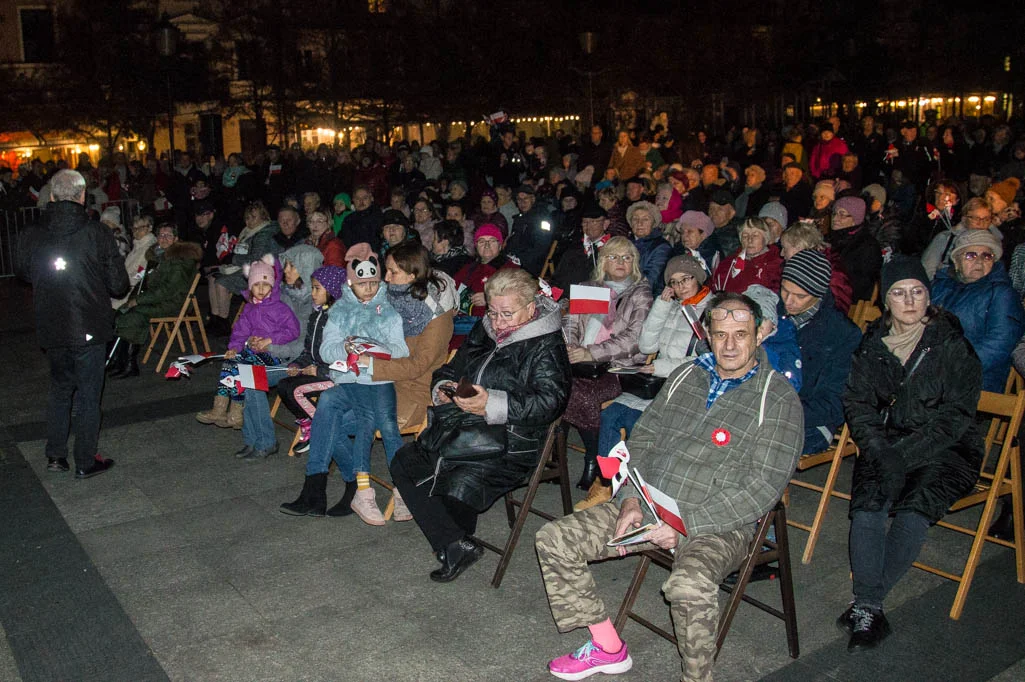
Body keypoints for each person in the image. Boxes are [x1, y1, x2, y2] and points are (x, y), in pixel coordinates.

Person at [536, 291, 803, 681]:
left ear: (759, 334)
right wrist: (629, 496)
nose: (729, 345)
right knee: (554, 538)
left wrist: (685, 523)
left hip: (716, 522)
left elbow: (763, 488)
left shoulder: (777, 398)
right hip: (649, 503)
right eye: (720, 333)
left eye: (740, 334)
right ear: (707, 334)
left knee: (689, 586)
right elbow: (643, 440)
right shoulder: (685, 376)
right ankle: (608, 646)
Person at [390, 268, 571, 582]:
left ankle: (453, 539)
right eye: (493, 311)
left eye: (507, 314)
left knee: (456, 478)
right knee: (405, 460)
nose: (498, 322)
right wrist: (444, 389)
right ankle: (455, 541)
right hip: (466, 425)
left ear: (531, 308)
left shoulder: (546, 345)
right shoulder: (485, 329)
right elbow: (453, 367)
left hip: (514, 441)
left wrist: (493, 404)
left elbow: (550, 402)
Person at [839, 256, 982, 651]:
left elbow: (956, 416)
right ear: (887, 300)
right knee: (868, 507)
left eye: (917, 291)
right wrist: (882, 452)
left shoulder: (952, 346)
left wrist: (902, 457)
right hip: (887, 443)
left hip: (948, 447)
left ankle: (866, 604)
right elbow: (858, 404)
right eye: (899, 293)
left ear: (928, 296)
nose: (909, 301)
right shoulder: (872, 344)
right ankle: (870, 606)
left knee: (914, 509)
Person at [279, 243, 410, 523]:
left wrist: (373, 349)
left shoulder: (387, 313)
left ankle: (326, 489)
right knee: (326, 406)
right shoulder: (339, 312)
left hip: (376, 380)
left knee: (328, 413)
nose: (370, 289)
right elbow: (327, 351)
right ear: (350, 284)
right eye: (363, 284)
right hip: (348, 379)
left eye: (375, 283)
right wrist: (348, 349)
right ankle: (327, 487)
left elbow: (400, 350)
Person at [16, 170, 129, 478]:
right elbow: (119, 284)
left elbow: (23, 271)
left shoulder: (32, 233)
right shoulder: (97, 233)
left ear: (52, 196)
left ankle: (55, 455)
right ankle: (85, 459)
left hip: (52, 325)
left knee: (60, 390)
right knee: (90, 395)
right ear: (82, 197)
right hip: (89, 324)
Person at [594, 255, 713, 504]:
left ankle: (638, 492)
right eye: (674, 282)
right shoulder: (673, 307)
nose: (680, 287)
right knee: (610, 414)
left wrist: (659, 367)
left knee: (638, 422)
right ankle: (610, 482)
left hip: (687, 385)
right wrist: (661, 306)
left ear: (698, 278)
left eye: (685, 279)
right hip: (659, 384)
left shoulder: (711, 310)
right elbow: (647, 345)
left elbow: (705, 361)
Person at [562, 236, 654, 506]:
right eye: (614, 257)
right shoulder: (590, 288)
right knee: (559, 386)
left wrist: (592, 353)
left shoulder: (640, 293)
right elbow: (571, 325)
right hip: (583, 364)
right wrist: (573, 350)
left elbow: (634, 338)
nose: (621, 262)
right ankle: (585, 451)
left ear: (634, 262)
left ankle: (594, 457)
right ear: (603, 261)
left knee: (584, 396)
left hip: (621, 368)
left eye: (627, 257)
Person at [195, 255, 300, 432]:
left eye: (265, 284)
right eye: (256, 285)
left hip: (273, 355)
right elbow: (240, 331)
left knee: (243, 367)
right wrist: (235, 347)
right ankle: (221, 407)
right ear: (250, 286)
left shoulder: (280, 308)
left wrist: (270, 339)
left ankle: (237, 410)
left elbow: (293, 330)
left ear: (272, 285)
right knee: (230, 363)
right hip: (252, 352)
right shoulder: (249, 308)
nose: (260, 289)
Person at [237, 244, 324, 458]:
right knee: (246, 375)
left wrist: (270, 346)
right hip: (277, 354)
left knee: (252, 379)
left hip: (299, 362)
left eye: (292, 266)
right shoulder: (285, 294)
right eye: (286, 266)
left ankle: (265, 441)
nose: (286, 271)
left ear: (306, 269)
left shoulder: (312, 303)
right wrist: (255, 340)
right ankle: (252, 440)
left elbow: (304, 345)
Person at [778, 250, 862, 453]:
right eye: (784, 290)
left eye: (799, 296)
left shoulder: (842, 333)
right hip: (765, 408)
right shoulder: (772, 313)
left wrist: (782, 412)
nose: (788, 301)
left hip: (810, 422)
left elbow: (833, 403)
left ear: (818, 294)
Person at [930, 230, 1025, 393]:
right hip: (930, 375)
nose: (979, 262)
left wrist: (953, 367)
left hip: (974, 381)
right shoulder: (939, 287)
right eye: (971, 255)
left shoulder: (1002, 294)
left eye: (987, 256)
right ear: (956, 260)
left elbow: (999, 343)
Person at [108, 225, 203, 378]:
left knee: (134, 315)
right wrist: (133, 298)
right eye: (161, 235)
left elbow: (167, 290)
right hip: (157, 299)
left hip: (172, 303)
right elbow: (145, 283)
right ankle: (119, 359)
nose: (163, 238)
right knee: (122, 312)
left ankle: (130, 364)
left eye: (168, 235)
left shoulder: (179, 261)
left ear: (176, 239)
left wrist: (138, 301)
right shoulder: (159, 258)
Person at [273, 265, 346, 455]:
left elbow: (345, 357)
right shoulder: (316, 315)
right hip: (317, 371)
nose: (312, 293)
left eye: (317, 288)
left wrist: (319, 371)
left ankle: (320, 428)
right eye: (312, 287)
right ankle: (309, 422)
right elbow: (309, 350)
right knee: (284, 385)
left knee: (296, 390)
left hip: (333, 375)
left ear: (332, 290)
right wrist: (298, 364)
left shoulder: (340, 318)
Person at [921, 197, 999, 280]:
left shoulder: (995, 243)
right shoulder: (945, 238)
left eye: (986, 219)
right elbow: (927, 269)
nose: (981, 223)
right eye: (976, 218)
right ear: (964, 219)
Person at [827, 196, 882, 302]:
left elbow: (862, 284)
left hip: (845, 299)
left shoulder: (867, 246)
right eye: (834, 213)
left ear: (855, 219)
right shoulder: (832, 238)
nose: (835, 218)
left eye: (842, 214)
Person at [710, 217, 783, 294]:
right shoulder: (728, 264)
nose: (750, 240)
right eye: (745, 236)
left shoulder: (776, 264)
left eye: (755, 235)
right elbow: (714, 289)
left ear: (765, 238)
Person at [552, 203, 611, 293]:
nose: (589, 226)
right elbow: (558, 278)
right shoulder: (574, 248)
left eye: (593, 222)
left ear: (605, 224)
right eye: (585, 222)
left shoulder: (613, 249)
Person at [505, 184, 555, 276]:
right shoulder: (519, 219)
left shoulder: (543, 218)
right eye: (519, 199)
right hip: (515, 261)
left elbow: (542, 246)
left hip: (532, 265)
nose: (522, 202)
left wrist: (520, 260)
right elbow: (513, 241)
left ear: (533, 199)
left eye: (525, 199)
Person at [626, 201, 671, 296]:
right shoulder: (624, 244)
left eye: (645, 219)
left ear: (653, 223)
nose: (639, 223)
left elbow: (650, 280)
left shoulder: (661, 247)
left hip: (647, 298)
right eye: (635, 219)